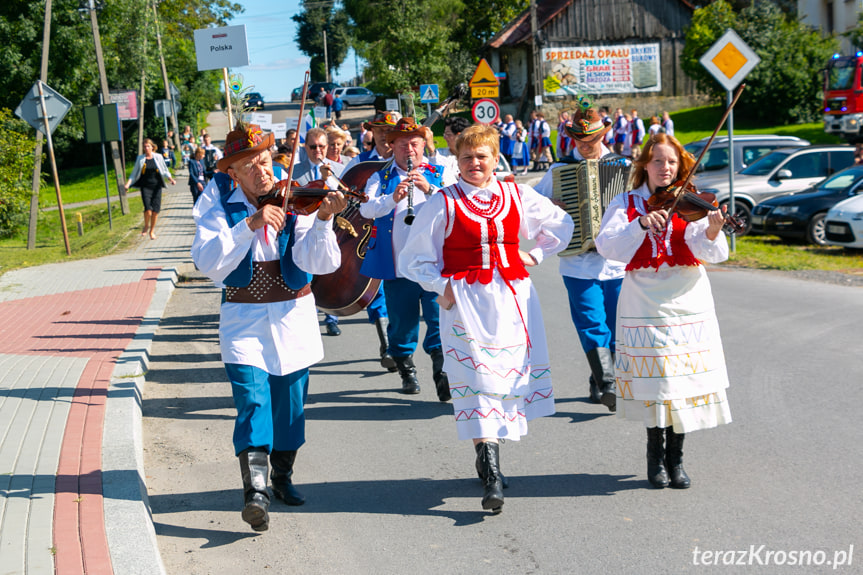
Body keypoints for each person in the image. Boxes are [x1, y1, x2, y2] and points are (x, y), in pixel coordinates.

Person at [399, 124, 573, 513]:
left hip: (512, 301)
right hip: (465, 301)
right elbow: (412, 258)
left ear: (496, 158)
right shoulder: (442, 202)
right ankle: (491, 471)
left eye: (482, 156)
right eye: (466, 157)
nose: (475, 163)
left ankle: (489, 454)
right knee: (476, 381)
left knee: (504, 381)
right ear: (457, 161)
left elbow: (562, 224)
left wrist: (536, 254)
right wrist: (440, 287)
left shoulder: (516, 193)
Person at [191, 122, 347, 531]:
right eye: (251, 166)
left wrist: (326, 222)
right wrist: (250, 225)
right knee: (253, 401)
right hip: (243, 320)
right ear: (232, 173)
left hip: (292, 317)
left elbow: (322, 264)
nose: (263, 171)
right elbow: (207, 261)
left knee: (290, 408)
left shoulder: (296, 195)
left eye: (265, 161)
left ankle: (282, 476)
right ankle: (255, 494)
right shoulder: (216, 201)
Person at [595, 133, 732, 490]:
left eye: (671, 162)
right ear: (645, 165)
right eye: (658, 161)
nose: (665, 168)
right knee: (657, 380)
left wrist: (715, 232)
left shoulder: (693, 202)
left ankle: (677, 459)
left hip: (687, 298)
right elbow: (607, 245)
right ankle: (654, 456)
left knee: (682, 381)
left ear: (680, 165)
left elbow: (713, 252)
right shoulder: (627, 203)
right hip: (644, 300)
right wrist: (640, 224)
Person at [534, 101, 628, 411]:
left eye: (592, 140)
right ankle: (608, 383)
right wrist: (552, 206)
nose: (585, 146)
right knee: (591, 322)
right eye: (579, 140)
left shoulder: (623, 167)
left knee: (616, 326)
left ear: (604, 135)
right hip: (577, 260)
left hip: (616, 263)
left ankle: (599, 376)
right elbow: (533, 207)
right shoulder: (559, 170)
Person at [359, 117, 458, 399]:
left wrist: (430, 190)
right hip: (399, 266)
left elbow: (457, 206)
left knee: (439, 319)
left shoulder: (439, 172)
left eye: (414, 144)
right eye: (403, 145)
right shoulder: (380, 177)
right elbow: (367, 210)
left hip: (435, 266)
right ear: (392, 147)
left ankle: (442, 375)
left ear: (423, 144)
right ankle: (406, 369)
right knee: (403, 324)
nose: (410, 150)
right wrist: (391, 198)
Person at [124, 138, 176, 240]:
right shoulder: (140, 159)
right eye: (144, 146)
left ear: (152, 147)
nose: (146, 148)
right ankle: (146, 226)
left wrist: (171, 179)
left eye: (148, 146)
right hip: (145, 187)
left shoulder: (158, 157)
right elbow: (134, 174)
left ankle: (152, 231)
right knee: (148, 210)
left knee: (155, 211)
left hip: (157, 187)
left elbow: (164, 170)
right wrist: (127, 184)